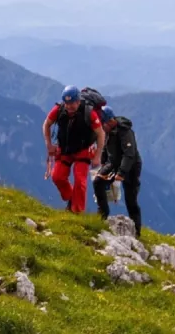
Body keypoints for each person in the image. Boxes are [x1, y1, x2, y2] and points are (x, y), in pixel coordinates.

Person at [42, 85, 105, 213]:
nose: (69, 106)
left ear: (78, 101)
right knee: (57, 177)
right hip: (64, 150)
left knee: (80, 181)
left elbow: (101, 134)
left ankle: (76, 212)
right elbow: (46, 124)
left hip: (82, 151)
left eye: (72, 103)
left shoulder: (89, 113)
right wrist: (49, 145)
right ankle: (70, 198)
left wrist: (98, 156)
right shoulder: (59, 110)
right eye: (67, 103)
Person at [93, 106, 143, 238]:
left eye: (102, 124)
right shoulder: (108, 130)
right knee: (98, 181)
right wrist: (103, 161)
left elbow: (129, 155)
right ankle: (102, 215)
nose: (101, 127)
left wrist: (121, 173)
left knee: (130, 199)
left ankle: (136, 231)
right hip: (113, 163)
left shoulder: (125, 132)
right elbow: (105, 145)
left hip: (130, 167)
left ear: (109, 121)